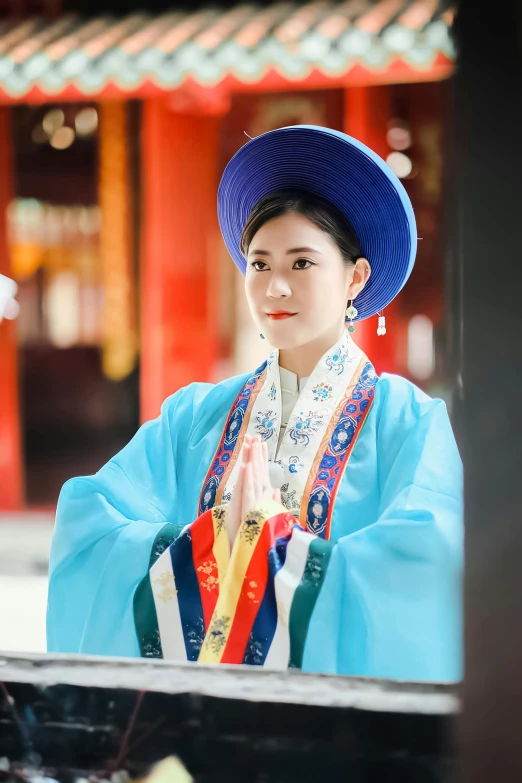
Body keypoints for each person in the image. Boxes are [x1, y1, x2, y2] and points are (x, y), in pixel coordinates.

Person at [47, 126, 463, 681]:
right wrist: (209, 544)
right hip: (198, 719)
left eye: (301, 263)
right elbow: (89, 529)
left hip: (341, 734)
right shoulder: (193, 417)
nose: (275, 287)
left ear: (355, 277)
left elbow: (429, 566)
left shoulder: (408, 423)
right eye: (260, 264)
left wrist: (279, 552)